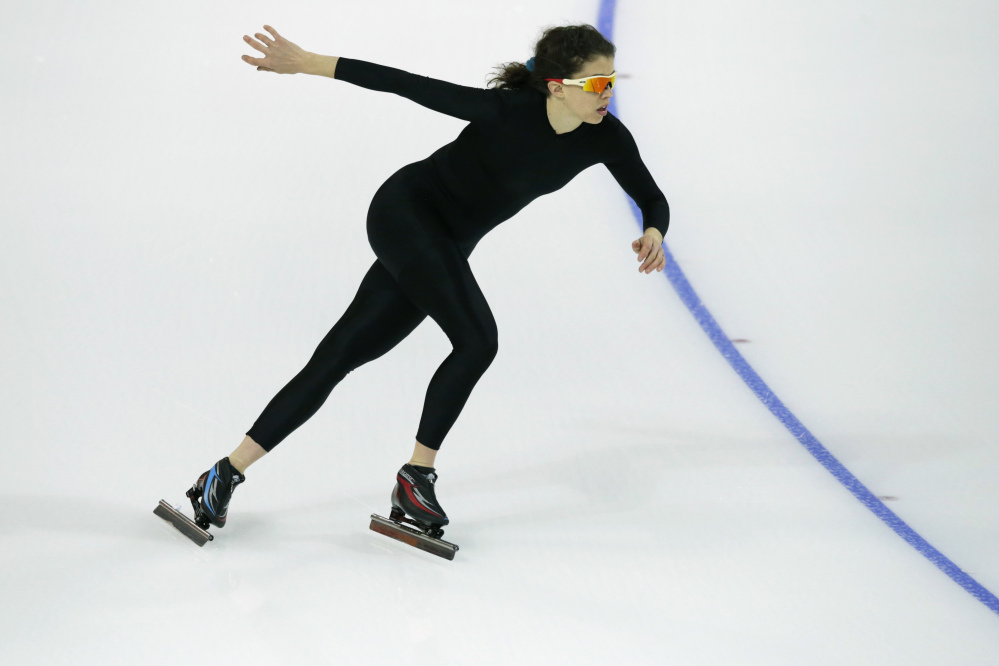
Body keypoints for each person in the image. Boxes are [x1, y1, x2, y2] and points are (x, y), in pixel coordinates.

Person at [185, 23, 669, 537]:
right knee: (478, 339)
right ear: (556, 87)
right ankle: (416, 478)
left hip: (446, 246)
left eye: (612, 81)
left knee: (341, 355)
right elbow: (404, 82)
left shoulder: (607, 137)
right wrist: (308, 61)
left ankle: (223, 472)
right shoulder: (506, 112)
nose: (608, 94)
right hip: (406, 213)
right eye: (596, 84)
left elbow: (650, 195)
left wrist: (654, 230)